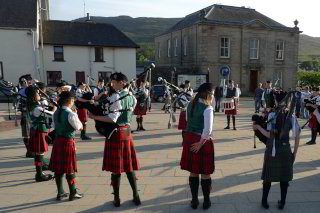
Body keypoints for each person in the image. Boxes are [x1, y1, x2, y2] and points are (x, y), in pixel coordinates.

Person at [89, 72, 141, 207]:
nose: (112, 84)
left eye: (114, 82)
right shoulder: (132, 97)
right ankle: (136, 196)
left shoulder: (116, 97)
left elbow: (112, 118)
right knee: (129, 167)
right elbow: (130, 112)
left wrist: (94, 117)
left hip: (115, 134)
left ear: (122, 83)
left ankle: (117, 199)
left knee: (116, 169)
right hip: (127, 132)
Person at [253, 95, 300, 210]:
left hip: (272, 150)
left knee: (268, 177)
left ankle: (264, 201)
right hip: (285, 150)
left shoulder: (272, 115)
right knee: (284, 178)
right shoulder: (292, 116)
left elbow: (270, 135)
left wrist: (258, 127)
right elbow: (297, 136)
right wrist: (294, 153)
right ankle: (282, 203)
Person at [180, 83, 215, 210]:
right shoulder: (208, 108)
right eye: (213, 93)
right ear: (208, 93)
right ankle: (206, 201)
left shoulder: (191, 104)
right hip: (202, 140)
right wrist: (200, 144)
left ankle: (194, 201)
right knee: (205, 173)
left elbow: (188, 122)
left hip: (190, 138)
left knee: (193, 171)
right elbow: (208, 130)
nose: (213, 96)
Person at [49, 91, 84, 201]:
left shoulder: (56, 112)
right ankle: (73, 192)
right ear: (69, 101)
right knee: (70, 169)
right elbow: (79, 127)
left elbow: (53, 126)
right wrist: (76, 115)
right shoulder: (71, 114)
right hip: (68, 142)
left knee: (58, 169)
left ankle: (60, 192)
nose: (73, 102)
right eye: (73, 100)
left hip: (58, 141)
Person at [27, 85, 55, 182]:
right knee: (39, 154)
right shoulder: (36, 108)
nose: (39, 94)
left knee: (38, 154)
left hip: (36, 130)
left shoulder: (32, 105)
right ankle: (39, 174)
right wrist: (55, 106)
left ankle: (40, 172)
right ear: (33, 95)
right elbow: (51, 114)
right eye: (37, 93)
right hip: (39, 130)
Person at [17, 75, 33, 158]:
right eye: (29, 80)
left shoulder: (27, 89)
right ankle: (29, 151)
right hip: (26, 114)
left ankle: (30, 151)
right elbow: (27, 93)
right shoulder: (23, 90)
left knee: (30, 133)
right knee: (27, 134)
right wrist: (26, 85)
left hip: (29, 113)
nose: (31, 82)